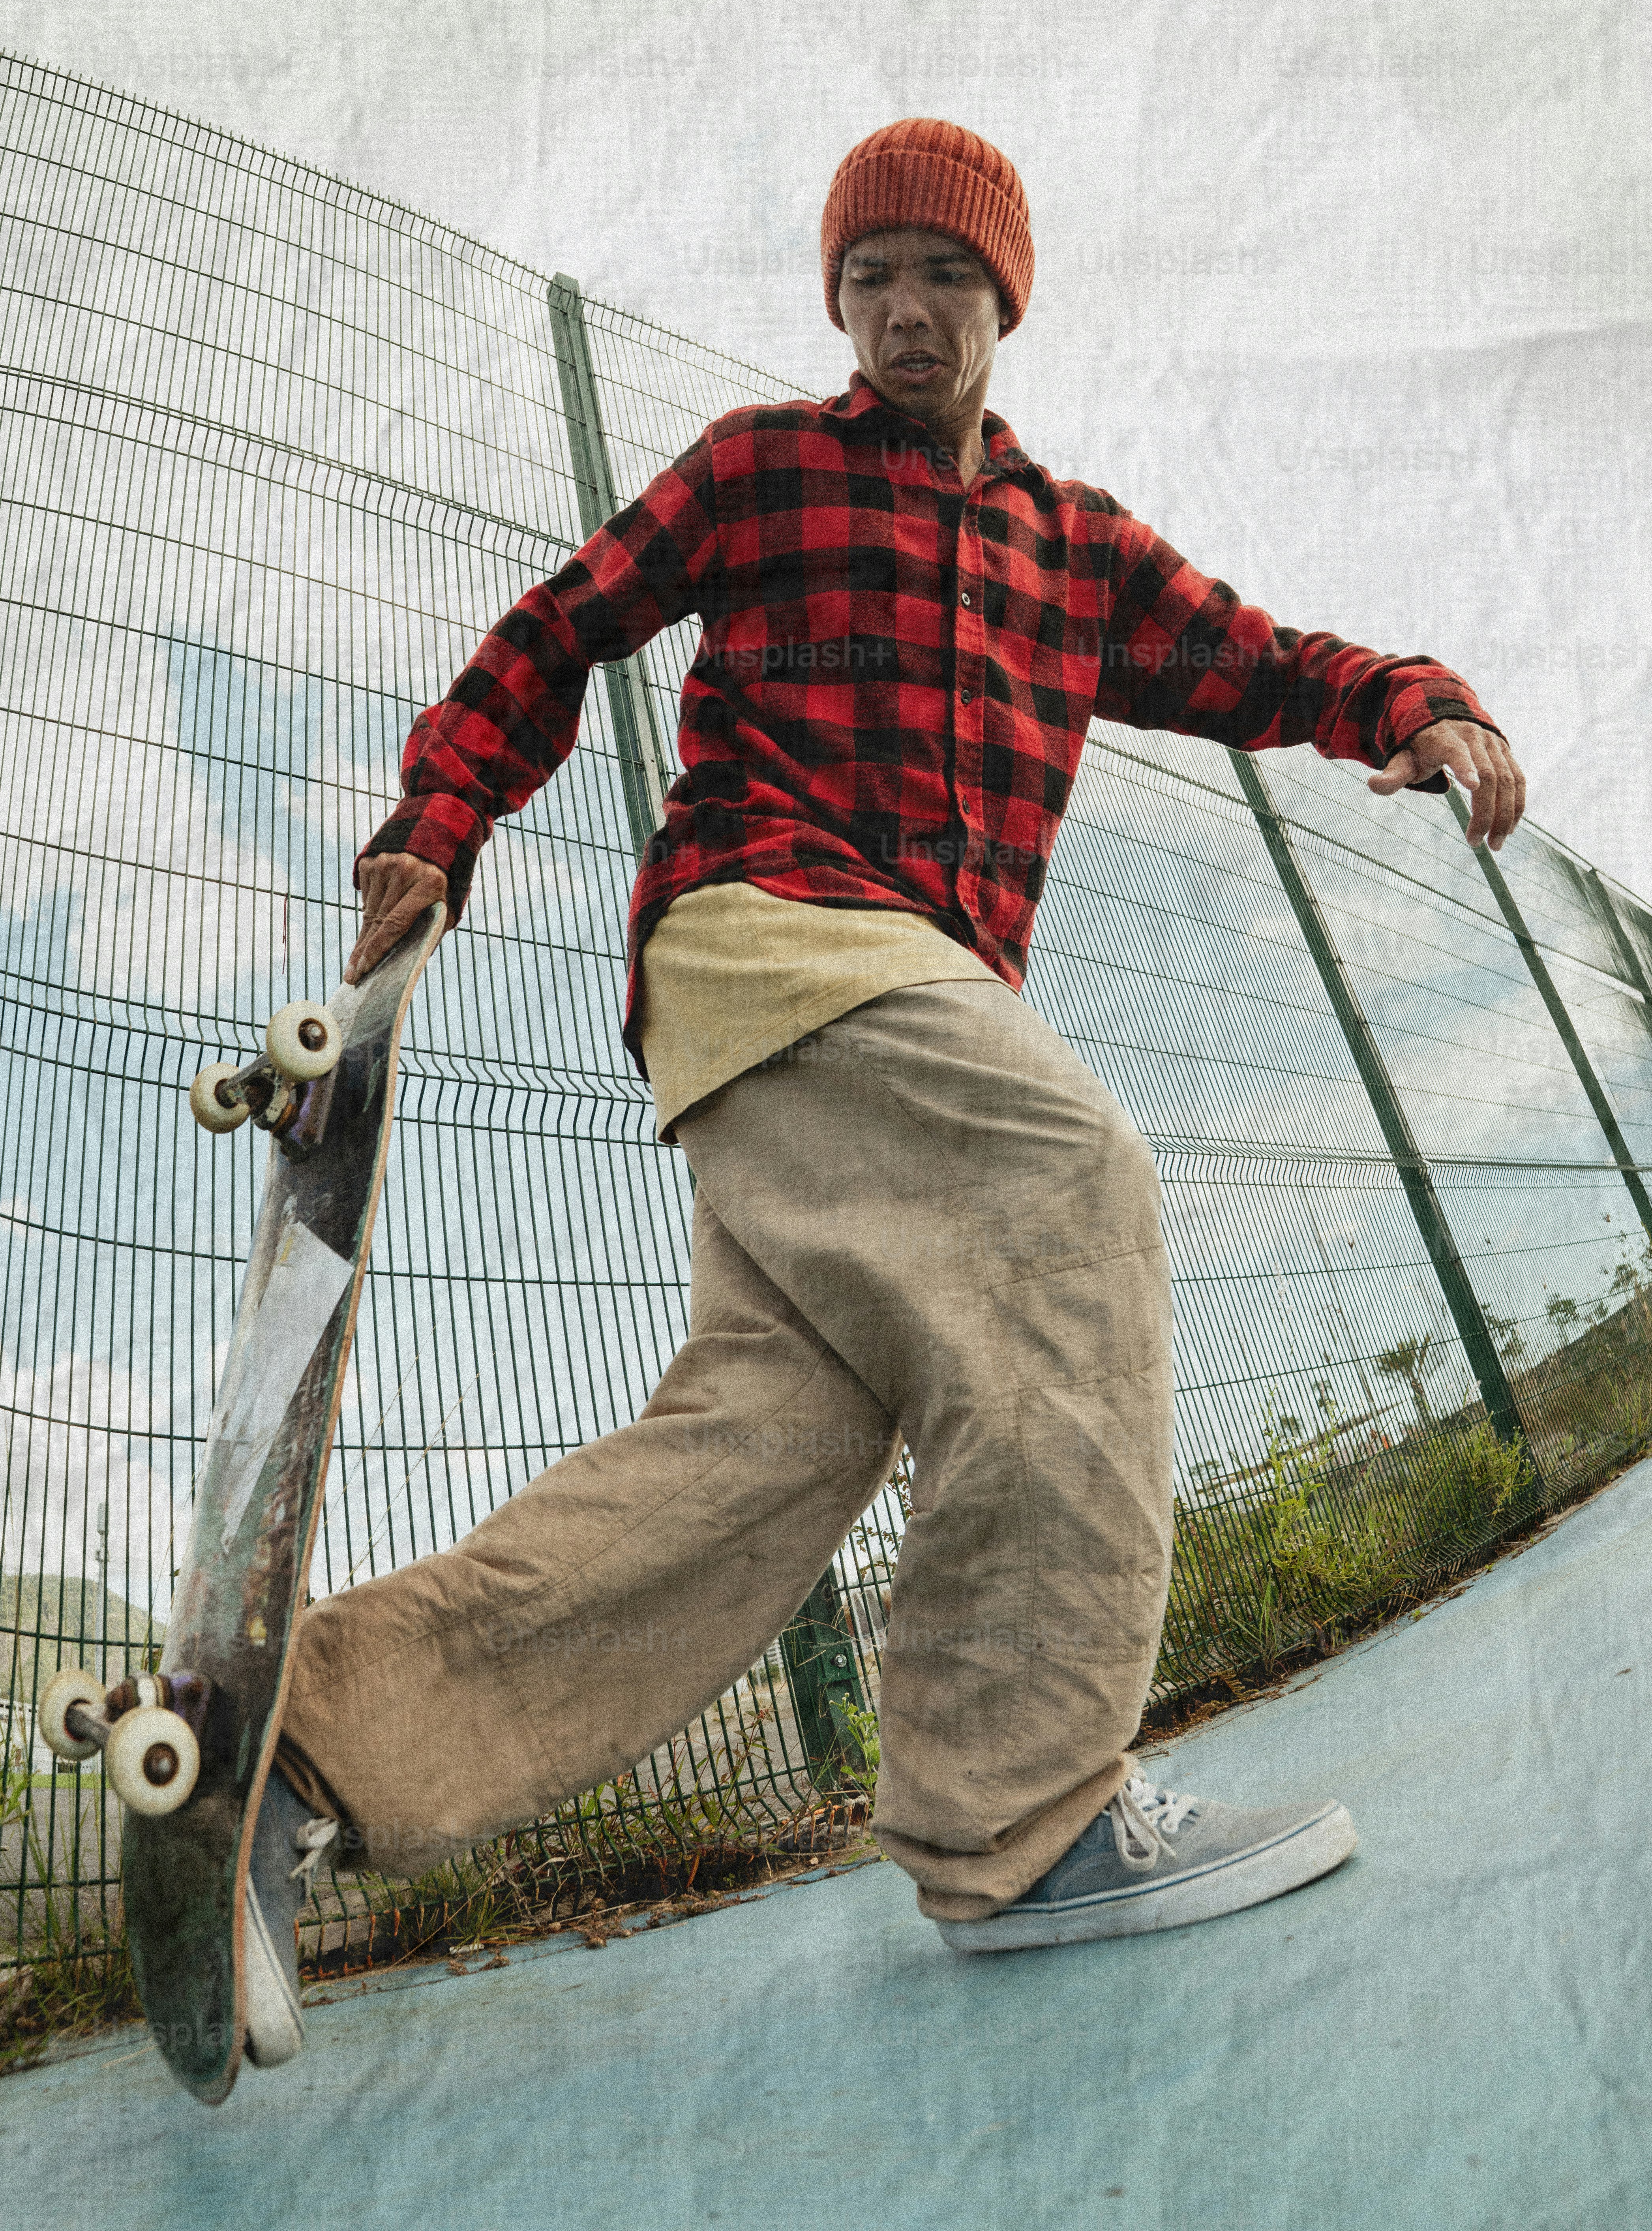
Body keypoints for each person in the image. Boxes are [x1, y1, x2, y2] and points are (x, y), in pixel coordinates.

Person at [240, 119, 1526, 2065]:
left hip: (862, 1039)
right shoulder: (767, 468)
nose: (902, 311)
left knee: (762, 1454)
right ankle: (1028, 1821)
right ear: (834, 305)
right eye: (868, 279)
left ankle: (289, 1758)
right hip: (771, 935)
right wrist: (443, 819)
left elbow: (1260, 659)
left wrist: (1414, 701)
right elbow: (557, 625)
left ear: (1005, 297)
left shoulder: (1071, 547)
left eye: (941, 275)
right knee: (1069, 1184)